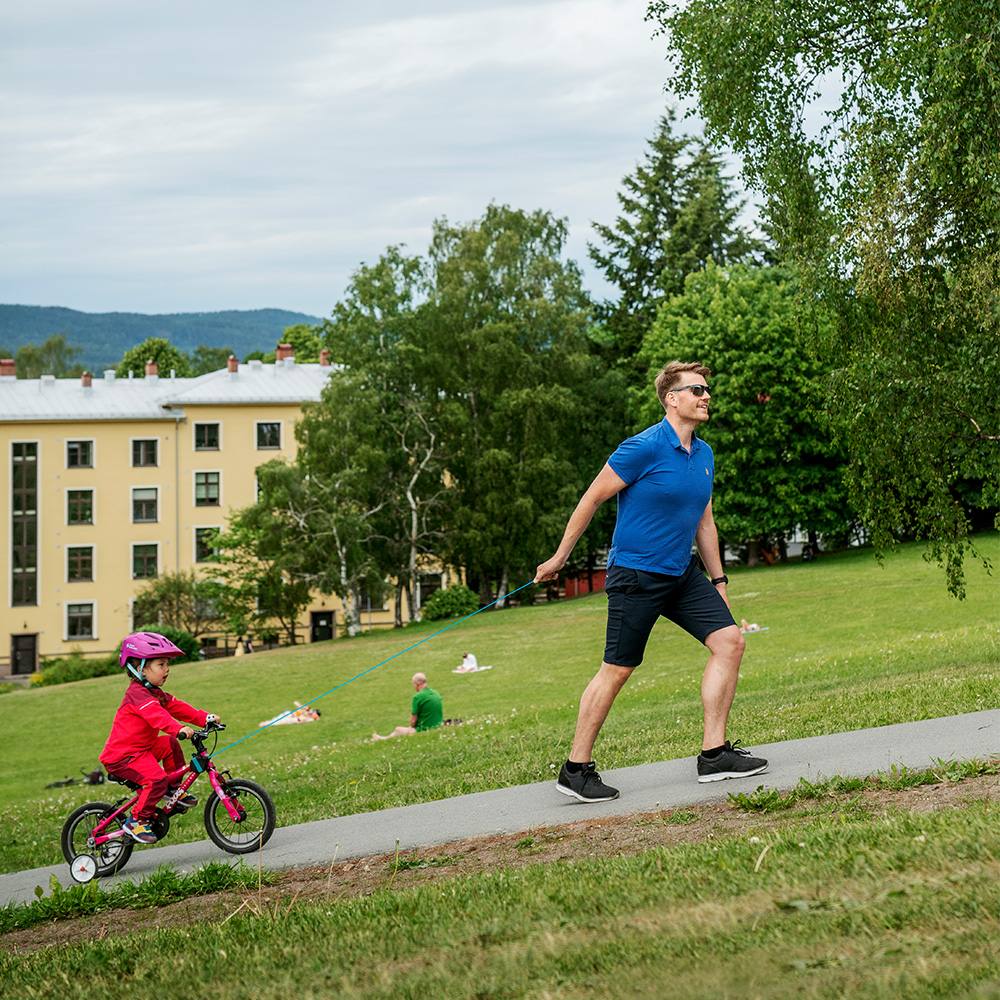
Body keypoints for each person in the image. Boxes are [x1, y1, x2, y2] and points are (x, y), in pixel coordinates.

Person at [535, 361, 768, 802]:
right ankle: (575, 769)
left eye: (707, 390)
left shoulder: (704, 454)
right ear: (671, 399)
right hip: (636, 575)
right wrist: (560, 556)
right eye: (696, 390)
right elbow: (591, 499)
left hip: (681, 573)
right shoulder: (641, 447)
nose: (705, 397)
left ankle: (714, 755)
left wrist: (718, 579)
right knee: (618, 669)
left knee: (730, 642)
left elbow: (704, 520)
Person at [99, 631, 221, 844]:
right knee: (155, 779)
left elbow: (177, 707)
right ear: (140, 668)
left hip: (142, 750)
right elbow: (157, 717)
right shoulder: (137, 695)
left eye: (167, 664)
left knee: (170, 744)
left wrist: (205, 719)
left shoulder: (155, 693)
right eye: (161, 665)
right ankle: (136, 820)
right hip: (123, 757)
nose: (167, 670)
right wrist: (179, 729)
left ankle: (171, 791)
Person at [371, 672, 443, 741]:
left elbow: (413, 721)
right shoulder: (436, 693)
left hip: (424, 729)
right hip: (438, 726)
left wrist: (410, 728)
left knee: (398, 729)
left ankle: (383, 739)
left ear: (417, 684)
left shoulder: (418, 697)